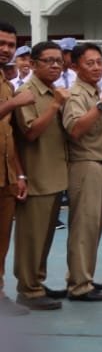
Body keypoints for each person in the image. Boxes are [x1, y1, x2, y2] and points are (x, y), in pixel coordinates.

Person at [13, 42, 70, 310]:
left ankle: (37, 280)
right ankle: (28, 289)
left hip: (55, 171)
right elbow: (30, 132)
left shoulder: (53, 91)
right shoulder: (28, 92)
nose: (55, 65)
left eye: (58, 60)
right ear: (33, 64)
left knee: (46, 235)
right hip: (37, 174)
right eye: (48, 61)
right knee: (31, 237)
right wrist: (55, 105)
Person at [61, 43, 102, 302]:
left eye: (98, 61)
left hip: (100, 163)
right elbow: (75, 129)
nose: (96, 67)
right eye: (89, 63)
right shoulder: (77, 95)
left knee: (93, 226)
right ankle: (79, 285)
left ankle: (83, 277)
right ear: (75, 66)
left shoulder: (93, 92)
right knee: (84, 227)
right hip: (86, 164)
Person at [0, 22, 27, 315]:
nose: (6, 49)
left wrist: (19, 174)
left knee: (2, 238)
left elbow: (9, 136)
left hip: (5, 174)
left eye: (10, 44)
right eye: (1, 43)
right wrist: (14, 103)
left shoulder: (6, 83)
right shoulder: (12, 91)